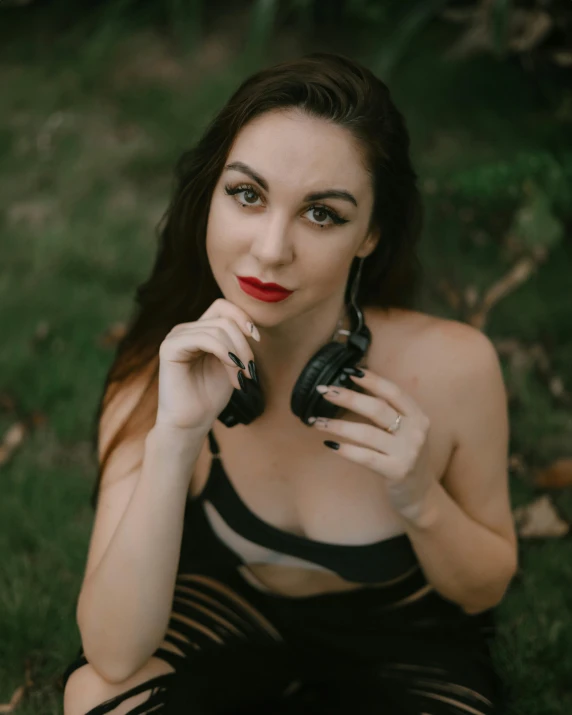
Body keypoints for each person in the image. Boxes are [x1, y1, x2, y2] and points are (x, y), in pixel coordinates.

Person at [61, 52, 517, 714]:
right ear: (210, 195)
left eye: (322, 213)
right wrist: (176, 435)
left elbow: (482, 591)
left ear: (371, 233)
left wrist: (421, 497)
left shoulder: (456, 367)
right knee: (97, 694)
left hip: (405, 635)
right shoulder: (157, 372)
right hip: (227, 607)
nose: (272, 248)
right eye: (247, 194)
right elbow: (114, 652)